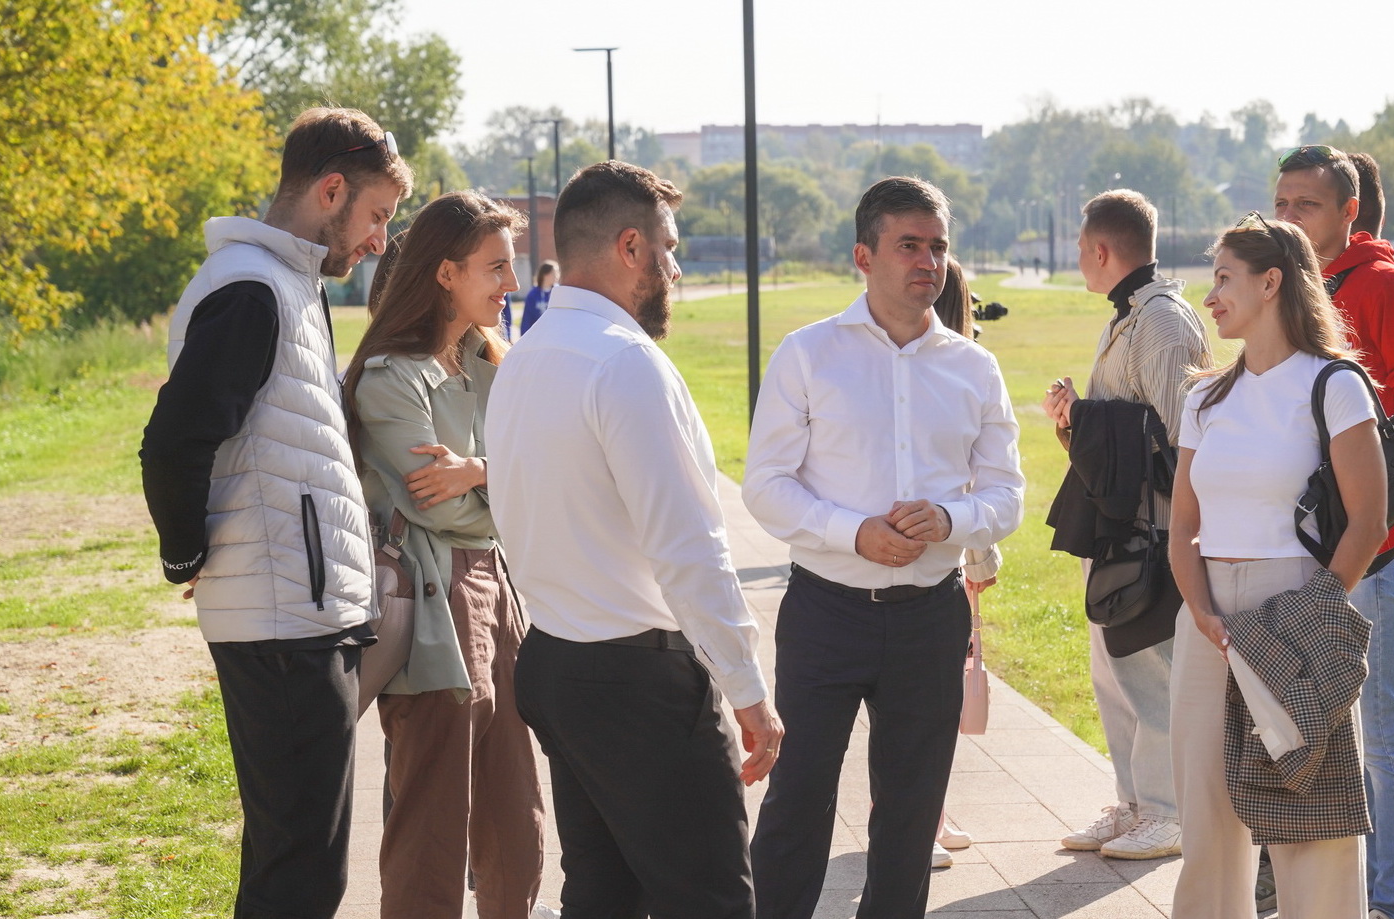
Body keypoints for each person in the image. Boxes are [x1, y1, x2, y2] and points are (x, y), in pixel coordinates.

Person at [485, 161, 784, 918]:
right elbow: (688, 547)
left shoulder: (524, 360)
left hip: (556, 663)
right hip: (635, 679)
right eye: (669, 248)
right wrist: (747, 688)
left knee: (604, 895)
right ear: (629, 247)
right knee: (710, 899)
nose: (677, 269)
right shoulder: (626, 364)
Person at [139, 106, 411, 918]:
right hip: (282, 620)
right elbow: (174, 441)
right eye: (376, 216)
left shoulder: (283, 283)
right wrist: (187, 554)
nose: (379, 242)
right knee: (299, 875)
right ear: (331, 190)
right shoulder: (252, 290)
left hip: (298, 609)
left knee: (296, 863)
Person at [744, 177, 1025, 919]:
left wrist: (949, 518)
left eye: (937, 246)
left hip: (929, 618)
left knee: (909, 812)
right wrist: (854, 531)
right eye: (909, 245)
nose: (927, 260)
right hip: (824, 612)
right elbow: (764, 486)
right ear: (863, 256)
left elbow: (1007, 495)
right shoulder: (807, 355)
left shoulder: (973, 367)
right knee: (797, 798)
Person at [1168, 213, 1386, 919]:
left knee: (1309, 813)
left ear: (1270, 282)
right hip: (1204, 615)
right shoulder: (1202, 394)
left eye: (1223, 278)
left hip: (1294, 598)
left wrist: (1315, 608)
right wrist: (1199, 609)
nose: (1210, 297)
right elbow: (1180, 526)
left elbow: (1368, 521)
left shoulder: (1333, 384)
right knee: (1205, 813)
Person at [340, 191, 550, 917]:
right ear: (444, 272)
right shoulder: (388, 379)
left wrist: (482, 469)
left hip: (502, 597)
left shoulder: (495, 363)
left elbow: (546, 473)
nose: (511, 284)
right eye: (495, 267)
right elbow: (444, 506)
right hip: (433, 605)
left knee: (516, 822)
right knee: (433, 832)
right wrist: (494, 481)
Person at [1274, 145, 1394, 919]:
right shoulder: (1291, 283)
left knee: (1380, 724)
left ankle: (1392, 902)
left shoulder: (1381, 283)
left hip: (1371, 537)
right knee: (1310, 721)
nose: (1287, 217)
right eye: (1281, 202)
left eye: (1305, 205)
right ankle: (1320, 894)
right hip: (1302, 530)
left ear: (1349, 212)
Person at [1042, 189, 1208, 860]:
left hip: (1154, 531)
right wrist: (1075, 419)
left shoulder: (1162, 322)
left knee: (1151, 667)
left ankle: (1168, 812)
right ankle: (1136, 801)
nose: (1079, 260)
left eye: (1082, 250)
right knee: (1114, 669)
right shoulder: (1128, 316)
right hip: (1116, 522)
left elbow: (1180, 437)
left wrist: (1087, 417)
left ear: (1102, 250)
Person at [925, 257, 1002, 870]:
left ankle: (930, 809)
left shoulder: (963, 365)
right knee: (930, 695)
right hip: (947, 555)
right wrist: (981, 554)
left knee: (937, 694)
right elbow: (970, 479)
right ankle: (920, 814)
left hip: (953, 549)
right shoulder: (956, 366)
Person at [501, 259, 557, 338]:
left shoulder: (558, 293)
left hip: (554, 336)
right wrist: (524, 337)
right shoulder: (533, 294)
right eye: (554, 273)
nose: (557, 276)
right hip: (537, 337)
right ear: (546, 274)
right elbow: (526, 318)